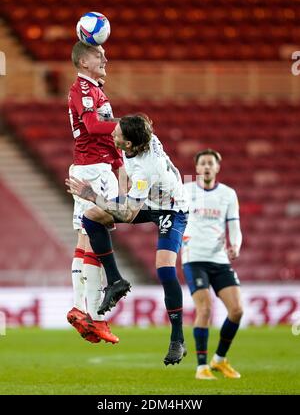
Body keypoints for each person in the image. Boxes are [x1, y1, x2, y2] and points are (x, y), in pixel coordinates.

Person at [66, 114, 188, 365]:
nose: (112, 133)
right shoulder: (138, 138)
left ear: (129, 144)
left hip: (172, 209)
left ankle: (177, 339)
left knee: (165, 270)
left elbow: (129, 213)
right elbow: (132, 131)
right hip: (148, 200)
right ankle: (116, 281)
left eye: (117, 133)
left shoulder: (145, 168)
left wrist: (92, 195)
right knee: (92, 218)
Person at [67, 41, 125, 345]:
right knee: (97, 239)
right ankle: (97, 317)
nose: (105, 58)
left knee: (84, 238)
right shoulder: (85, 90)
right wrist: (125, 126)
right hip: (94, 169)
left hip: (90, 165)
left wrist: (117, 155)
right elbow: (91, 124)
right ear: (83, 62)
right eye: (98, 55)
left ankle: (81, 308)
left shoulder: (91, 89)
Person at [181, 149, 243, 380]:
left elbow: (234, 225)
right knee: (205, 309)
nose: (206, 167)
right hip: (194, 258)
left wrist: (235, 245)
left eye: (211, 163)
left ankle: (219, 360)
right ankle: (201, 367)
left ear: (217, 167)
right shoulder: (186, 191)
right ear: (196, 168)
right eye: (203, 163)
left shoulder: (228, 194)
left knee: (237, 310)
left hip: (219, 259)